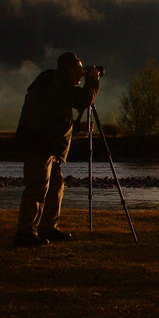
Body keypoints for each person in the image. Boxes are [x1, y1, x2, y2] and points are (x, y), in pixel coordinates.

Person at [13, 52, 101, 247]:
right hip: (39, 144)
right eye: (79, 70)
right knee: (38, 188)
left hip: (45, 143)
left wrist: (77, 128)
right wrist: (93, 81)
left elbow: (55, 117)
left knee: (55, 187)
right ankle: (25, 233)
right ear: (68, 70)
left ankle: (47, 227)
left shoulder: (51, 83)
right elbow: (83, 100)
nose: (81, 75)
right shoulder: (58, 86)